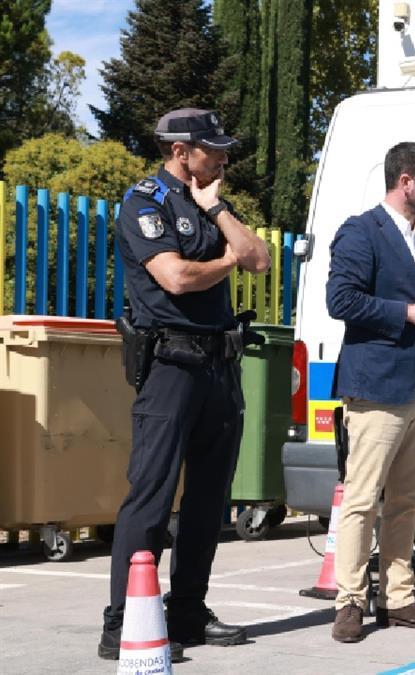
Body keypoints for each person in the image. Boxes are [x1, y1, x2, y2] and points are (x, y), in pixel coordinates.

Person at [100, 108, 270, 660]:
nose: (221, 158)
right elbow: (173, 276)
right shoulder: (143, 202)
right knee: (150, 500)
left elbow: (260, 259)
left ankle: (188, 613)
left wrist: (217, 210)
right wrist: (227, 259)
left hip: (220, 368)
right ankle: (123, 622)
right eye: (212, 149)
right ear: (180, 151)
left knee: (207, 503)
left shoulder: (210, 202)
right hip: (170, 367)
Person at [326, 141, 415, 642]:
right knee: (362, 499)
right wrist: (409, 314)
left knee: (408, 499)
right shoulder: (362, 231)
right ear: (405, 182)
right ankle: (350, 602)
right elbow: (341, 299)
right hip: (378, 386)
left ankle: (399, 598)